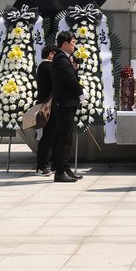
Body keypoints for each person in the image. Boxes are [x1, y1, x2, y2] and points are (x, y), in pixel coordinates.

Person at [48, 31, 83, 183]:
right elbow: (69, 79)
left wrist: (75, 69)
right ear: (65, 44)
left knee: (67, 137)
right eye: (73, 43)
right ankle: (60, 172)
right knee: (64, 137)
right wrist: (81, 92)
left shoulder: (63, 58)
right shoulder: (61, 58)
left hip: (67, 102)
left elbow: (70, 74)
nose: (74, 46)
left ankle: (66, 168)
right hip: (64, 103)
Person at [34, 44, 57, 175]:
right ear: (50, 54)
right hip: (48, 106)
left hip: (48, 104)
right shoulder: (47, 66)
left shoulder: (44, 66)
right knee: (48, 136)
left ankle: (50, 164)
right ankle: (41, 166)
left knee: (51, 135)